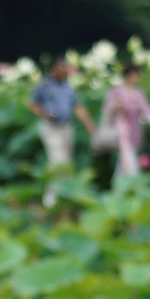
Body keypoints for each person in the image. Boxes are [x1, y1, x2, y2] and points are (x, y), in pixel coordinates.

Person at [30, 57, 95, 207]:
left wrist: (89, 125)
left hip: (66, 127)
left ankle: (65, 197)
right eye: (61, 68)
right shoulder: (45, 86)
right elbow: (33, 104)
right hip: (51, 128)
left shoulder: (68, 88)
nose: (64, 71)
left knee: (67, 163)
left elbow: (77, 107)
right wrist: (45, 115)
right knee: (58, 162)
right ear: (53, 70)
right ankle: (51, 200)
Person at [100, 63, 150, 180]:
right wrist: (116, 107)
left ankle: (118, 188)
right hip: (121, 132)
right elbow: (107, 111)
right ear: (129, 75)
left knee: (124, 164)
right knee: (130, 165)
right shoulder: (116, 92)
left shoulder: (139, 94)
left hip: (134, 132)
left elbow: (147, 112)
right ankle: (130, 185)